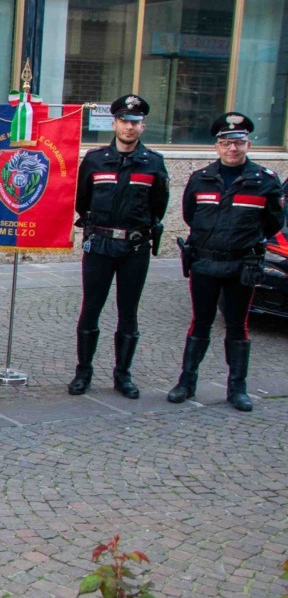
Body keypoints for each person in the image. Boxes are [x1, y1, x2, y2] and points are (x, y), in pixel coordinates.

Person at [168, 113, 284, 411]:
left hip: (240, 266)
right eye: (225, 142)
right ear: (217, 146)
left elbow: (272, 223)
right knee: (200, 323)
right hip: (205, 263)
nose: (232, 148)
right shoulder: (200, 178)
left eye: (238, 142)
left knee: (237, 326)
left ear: (248, 144)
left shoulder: (265, 182)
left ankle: (237, 388)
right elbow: (189, 216)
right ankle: (186, 382)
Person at [68, 94, 169, 399]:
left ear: (142, 126)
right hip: (99, 245)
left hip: (134, 249)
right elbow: (81, 201)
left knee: (129, 312)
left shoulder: (153, 163)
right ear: (114, 123)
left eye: (134, 122)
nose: (129, 127)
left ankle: (122, 375)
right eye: (124, 121)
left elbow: (159, 206)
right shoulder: (95, 160)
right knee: (90, 309)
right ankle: (83, 372)